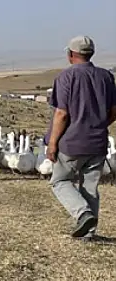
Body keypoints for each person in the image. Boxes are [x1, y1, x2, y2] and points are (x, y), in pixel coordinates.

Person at [46, 36, 116, 239]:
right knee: (90, 187)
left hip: (72, 141)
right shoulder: (106, 77)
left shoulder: (66, 77)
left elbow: (62, 114)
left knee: (59, 181)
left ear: (71, 55)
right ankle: (89, 233)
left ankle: (82, 214)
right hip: (98, 142)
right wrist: (99, 126)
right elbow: (114, 111)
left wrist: (52, 143)